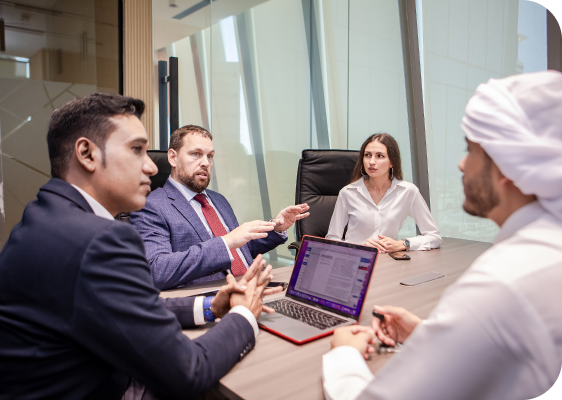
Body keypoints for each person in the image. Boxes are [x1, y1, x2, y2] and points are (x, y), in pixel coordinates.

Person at [0, 93, 281, 400]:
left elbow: (123, 304)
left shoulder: (46, 216)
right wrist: (244, 315)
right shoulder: (98, 240)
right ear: (87, 154)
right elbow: (189, 371)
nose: (152, 167)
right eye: (136, 150)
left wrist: (210, 306)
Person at [322, 71, 562, 399]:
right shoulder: (543, 254)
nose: (461, 164)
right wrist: (428, 334)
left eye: (471, 150)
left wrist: (343, 354)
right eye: (368, 155)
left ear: (507, 166)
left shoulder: (495, 284)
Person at [131, 124, 310, 290]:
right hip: (214, 299)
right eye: (196, 154)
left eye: (209, 156)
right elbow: (157, 270)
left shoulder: (218, 200)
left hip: (256, 287)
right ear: (173, 157)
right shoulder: (152, 206)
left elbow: (240, 250)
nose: (205, 163)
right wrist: (226, 242)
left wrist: (276, 228)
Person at [326, 133, 441, 252]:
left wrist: (403, 244)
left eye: (379, 156)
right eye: (367, 155)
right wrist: (360, 247)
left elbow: (434, 237)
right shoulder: (348, 193)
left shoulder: (408, 192)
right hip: (356, 259)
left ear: (392, 162)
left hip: (389, 260)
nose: (371, 161)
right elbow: (332, 239)